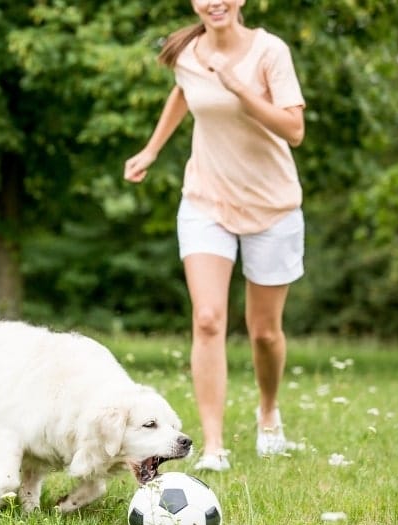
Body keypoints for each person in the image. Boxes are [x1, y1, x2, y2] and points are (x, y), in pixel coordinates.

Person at [124, 0, 306, 471]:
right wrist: (151, 150)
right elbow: (183, 93)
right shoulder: (188, 52)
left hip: (272, 205)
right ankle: (214, 447)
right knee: (207, 319)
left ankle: (268, 415)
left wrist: (239, 87)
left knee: (264, 332)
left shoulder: (269, 52)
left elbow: (295, 128)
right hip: (206, 200)